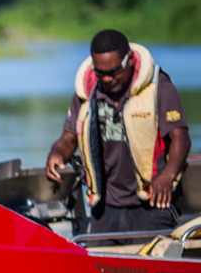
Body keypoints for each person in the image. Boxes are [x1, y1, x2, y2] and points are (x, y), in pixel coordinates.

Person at [46, 30, 191, 240]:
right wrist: (56, 153)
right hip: (105, 209)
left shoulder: (159, 87)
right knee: (99, 268)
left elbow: (181, 138)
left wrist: (168, 175)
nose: (106, 78)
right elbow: (68, 140)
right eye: (100, 72)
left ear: (130, 60)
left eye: (113, 71)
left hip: (151, 204)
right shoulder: (87, 92)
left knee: (147, 270)